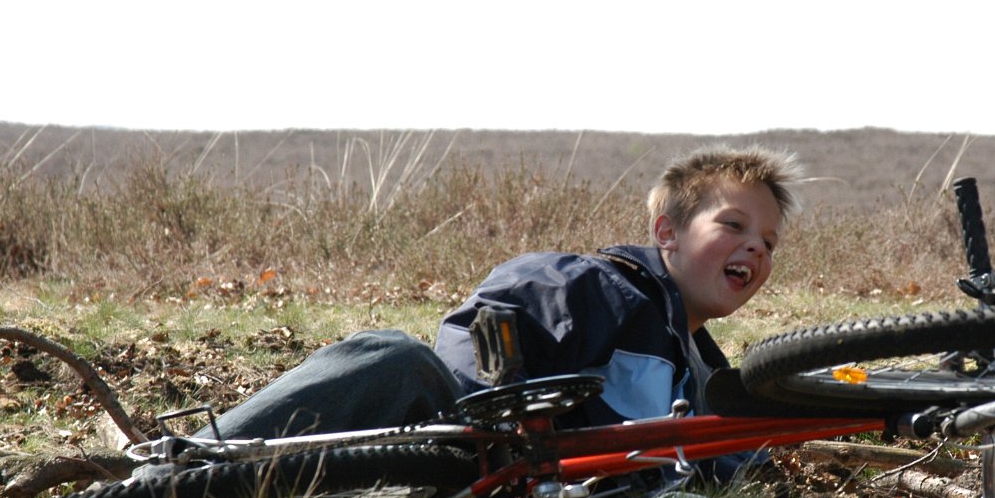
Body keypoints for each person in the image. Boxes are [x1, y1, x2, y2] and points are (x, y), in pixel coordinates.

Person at [193, 145, 802, 454]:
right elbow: (488, 323)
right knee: (394, 356)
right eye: (733, 225)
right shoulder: (601, 286)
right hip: (465, 443)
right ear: (667, 233)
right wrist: (504, 409)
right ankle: (186, 462)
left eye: (769, 242)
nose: (755, 246)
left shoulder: (706, 371)